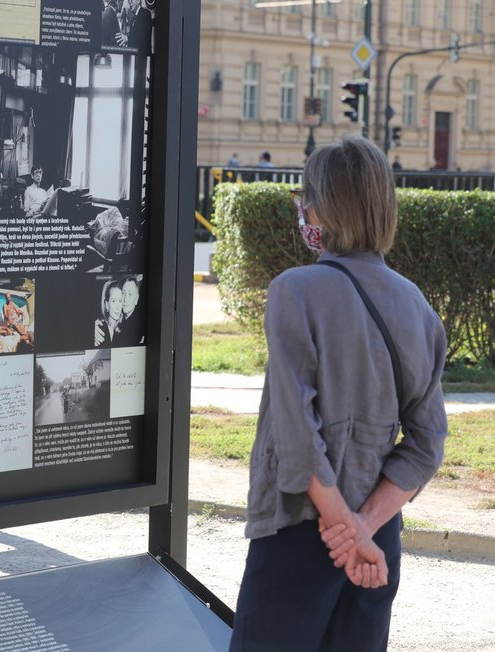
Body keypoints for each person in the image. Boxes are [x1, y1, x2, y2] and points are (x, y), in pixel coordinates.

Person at [228, 136, 448, 652]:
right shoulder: (417, 306)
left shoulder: (295, 290)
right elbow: (427, 442)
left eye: (306, 198)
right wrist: (363, 529)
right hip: (376, 544)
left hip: (301, 531)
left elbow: (296, 436)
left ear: (322, 206)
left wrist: (341, 527)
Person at [112, 275, 144, 345]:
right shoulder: (116, 317)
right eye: (123, 293)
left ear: (136, 299)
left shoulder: (140, 326)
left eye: (130, 294)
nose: (125, 299)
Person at [93, 280, 124, 347]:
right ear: (106, 304)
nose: (118, 307)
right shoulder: (99, 328)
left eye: (120, 301)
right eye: (113, 301)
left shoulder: (123, 329)